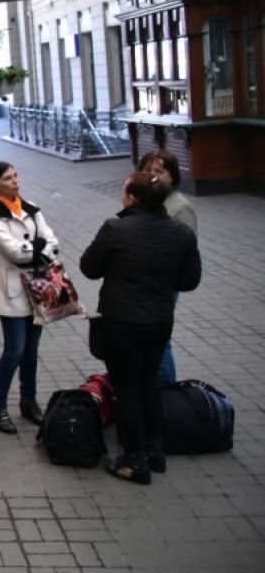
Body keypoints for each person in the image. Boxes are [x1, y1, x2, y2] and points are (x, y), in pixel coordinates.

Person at [80, 172, 201, 484]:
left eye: (124, 192)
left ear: (133, 198)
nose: (122, 197)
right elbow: (190, 281)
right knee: (149, 383)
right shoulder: (181, 233)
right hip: (159, 321)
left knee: (128, 389)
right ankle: (155, 450)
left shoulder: (116, 228)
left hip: (122, 322)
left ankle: (134, 460)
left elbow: (89, 268)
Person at [0, 161, 60, 435]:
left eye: (15, 175)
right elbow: (13, 252)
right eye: (8, 178)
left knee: (32, 351)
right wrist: (38, 248)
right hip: (13, 291)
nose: (15, 181)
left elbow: (53, 243)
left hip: (38, 289)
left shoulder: (31, 207)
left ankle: (29, 401)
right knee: (15, 350)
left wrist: (36, 249)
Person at [136, 149, 197, 384]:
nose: (152, 176)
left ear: (172, 176)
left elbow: (187, 253)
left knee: (160, 341)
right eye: (147, 170)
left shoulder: (180, 207)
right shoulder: (142, 200)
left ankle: (167, 395)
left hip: (163, 285)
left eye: (159, 172)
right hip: (140, 282)